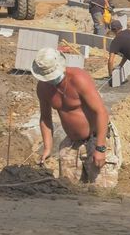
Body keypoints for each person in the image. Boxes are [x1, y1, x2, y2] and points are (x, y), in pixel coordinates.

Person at [32, 47, 122, 188]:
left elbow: (101, 112)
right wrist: (47, 148)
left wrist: (100, 148)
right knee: (68, 188)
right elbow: (45, 119)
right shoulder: (43, 88)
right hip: (73, 143)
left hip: (97, 137)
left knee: (102, 191)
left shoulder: (78, 79)